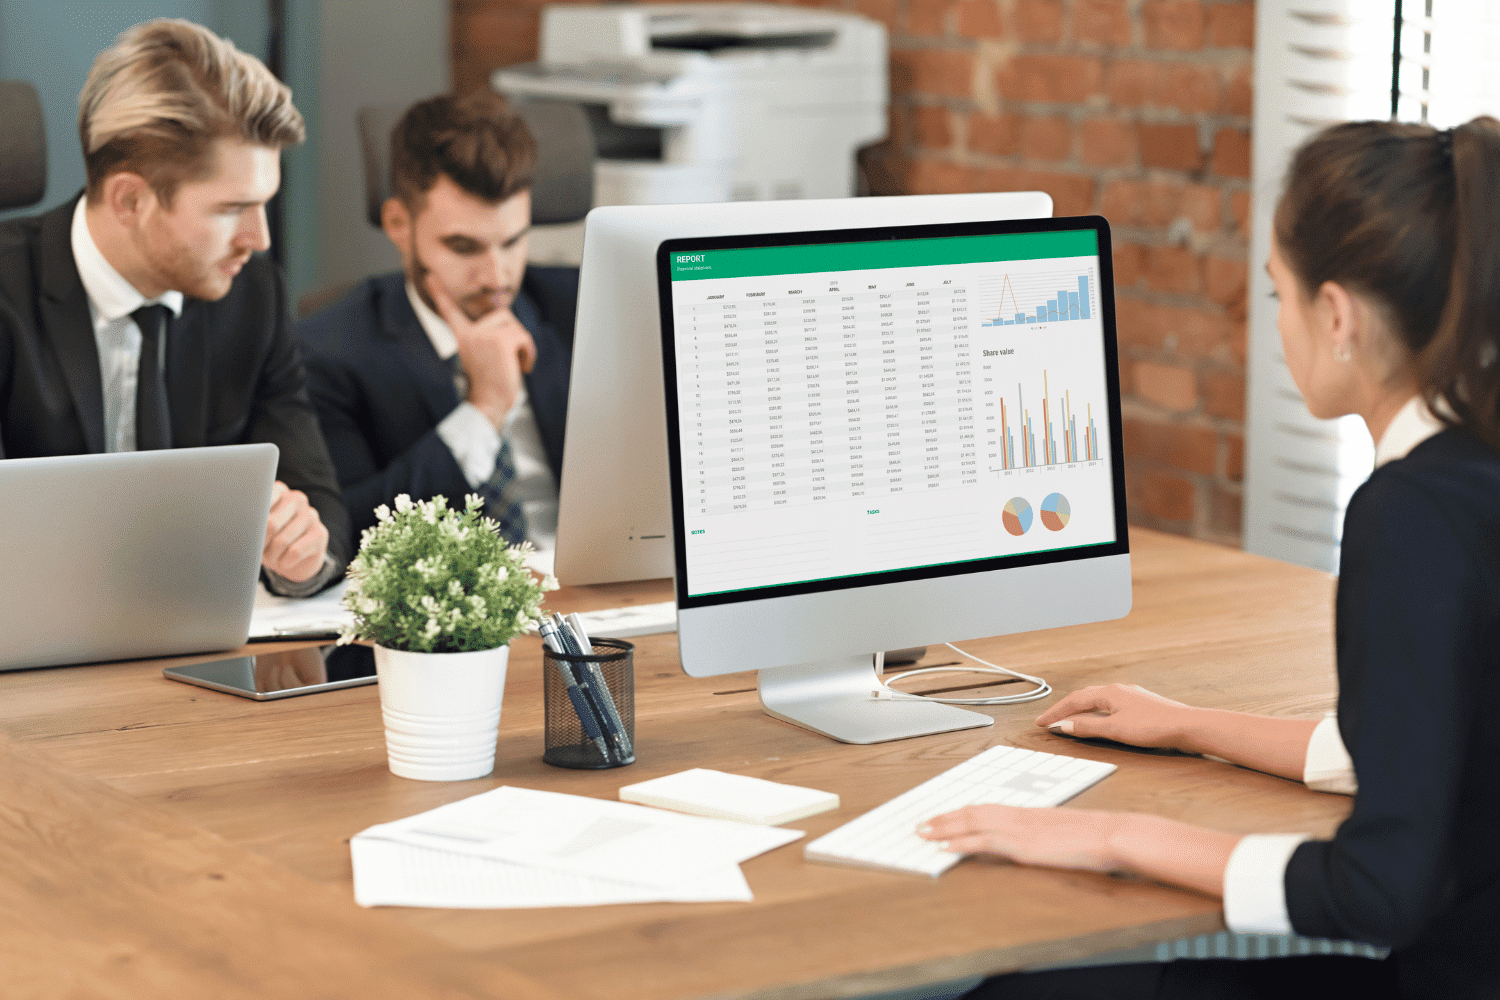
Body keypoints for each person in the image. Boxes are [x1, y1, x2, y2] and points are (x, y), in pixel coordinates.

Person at [920, 118, 1500, 999]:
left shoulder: (1409, 514)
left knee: (1016, 994)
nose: (1276, 324)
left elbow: (1382, 890)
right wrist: (1187, 725)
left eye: (1278, 294)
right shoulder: (1476, 466)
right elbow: (1431, 745)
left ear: (1335, 313)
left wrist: (1117, 837)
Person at [0, 19, 348, 596]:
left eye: (265, 204)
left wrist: (303, 551)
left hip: (197, 646)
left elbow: (321, 501)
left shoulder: (252, 294)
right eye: (231, 209)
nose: (259, 238)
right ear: (131, 200)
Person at [296, 91, 573, 556]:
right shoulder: (325, 351)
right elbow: (343, 532)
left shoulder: (578, 310)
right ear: (399, 224)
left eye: (512, 242)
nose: (497, 278)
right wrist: (483, 411)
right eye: (464, 247)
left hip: (600, 599)